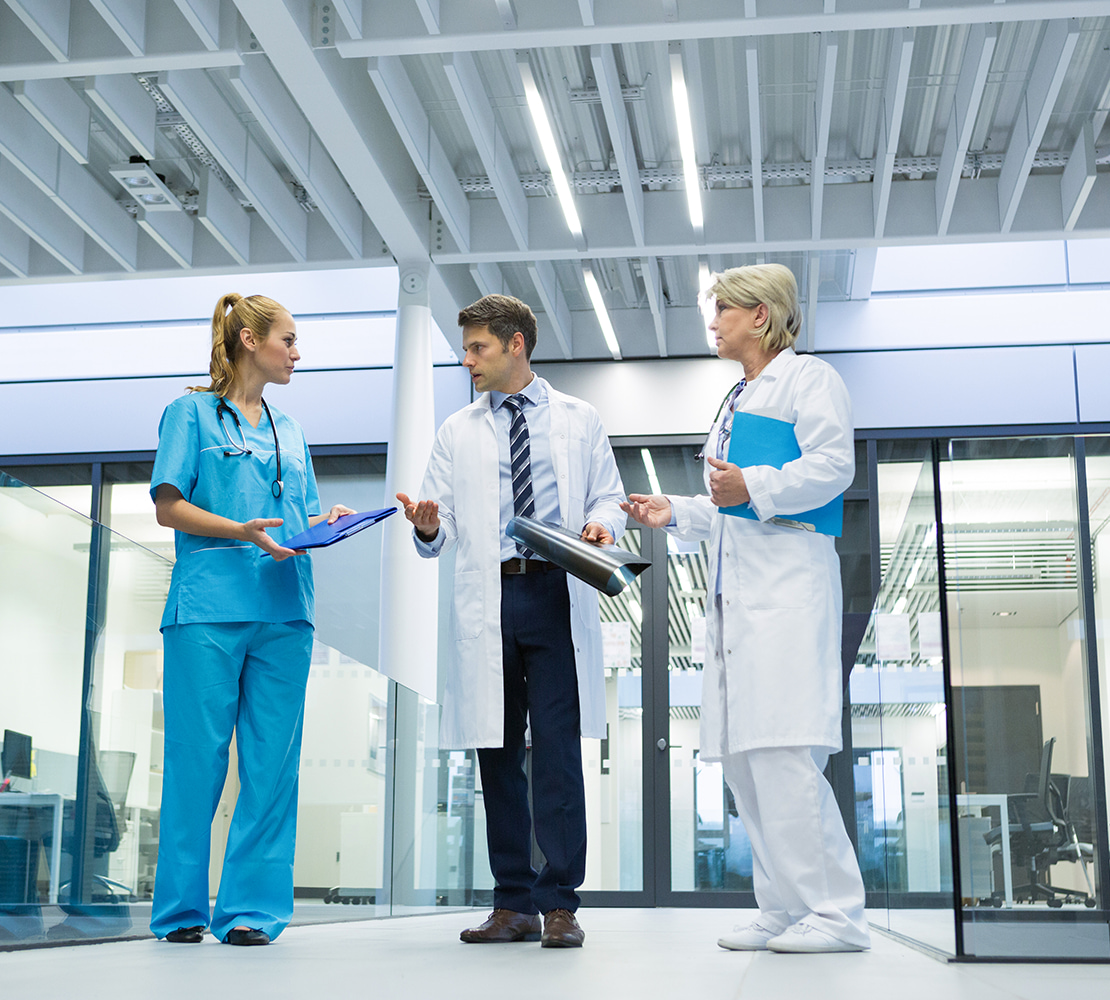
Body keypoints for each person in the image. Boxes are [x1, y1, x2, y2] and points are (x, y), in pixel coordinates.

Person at [621, 264, 869, 954]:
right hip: (740, 595)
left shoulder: (809, 379)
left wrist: (751, 484)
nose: (713, 320)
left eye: (723, 308)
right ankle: (783, 907)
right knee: (744, 761)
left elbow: (832, 466)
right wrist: (678, 511)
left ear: (760, 315)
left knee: (784, 752)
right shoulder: (740, 395)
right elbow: (733, 507)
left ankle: (836, 914)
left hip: (789, 588)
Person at [396, 294, 626, 949]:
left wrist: (603, 522)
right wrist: (431, 526)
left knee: (557, 755)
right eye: (466, 349)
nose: (467, 360)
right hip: (488, 598)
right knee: (496, 755)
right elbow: (442, 524)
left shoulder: (579, 420)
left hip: (554, 593)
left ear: (516, 344)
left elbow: (607, 492)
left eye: (478, 348)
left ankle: (559, 905)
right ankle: (512, 903)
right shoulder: (456, 430)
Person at [148, 292, 352, 947]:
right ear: (247, 340)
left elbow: (297, 515)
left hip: (285, 609)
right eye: (287, 340)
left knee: (271, 768)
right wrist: (240, 529)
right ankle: (181, 911)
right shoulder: (189, 414)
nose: (297, 353)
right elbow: (168, 507)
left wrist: (325, 523)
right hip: (208, 606)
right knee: (195, 761)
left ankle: (250, 912)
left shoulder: (288, 431)